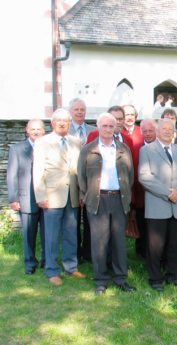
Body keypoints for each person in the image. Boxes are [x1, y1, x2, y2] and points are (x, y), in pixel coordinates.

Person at [77, 112, 136, 295]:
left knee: (119, 241)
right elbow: (81, 176)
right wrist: (88, 195)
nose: (108, 129)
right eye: (105, 126)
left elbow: (130, 175)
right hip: (98, 200)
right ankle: (101, 280)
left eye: (111, 126)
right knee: (99, 241)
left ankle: (120, 278)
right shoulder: (89, 149)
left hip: (119, 199)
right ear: (98, 127)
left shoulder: (123, 149)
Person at [139, 119, 177, 291]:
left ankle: (174, 276)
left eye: (170, 129)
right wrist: (168, 193)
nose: (167, 131)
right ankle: (156, 278)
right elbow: (144, 177)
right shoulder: (146, 150)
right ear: (157, 131)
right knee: (156, 245)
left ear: (174, 132)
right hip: (158, 205)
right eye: (163, 128)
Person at [33, 109, 85, 286]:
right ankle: (52, 270)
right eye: (59, 120)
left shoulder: (76, 142)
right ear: (52, 122)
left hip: (72, 195)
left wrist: (81, 193)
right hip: (52, 196)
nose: (63, 123)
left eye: (66, 121)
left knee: (71, 233)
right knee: (52, 235)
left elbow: (79, 171)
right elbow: (38, 170)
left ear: (70, 123)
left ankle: (71, 267)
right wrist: (40, 195)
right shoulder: (43, 142)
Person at [7, 119, 46, 275]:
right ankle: (30, 262)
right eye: (33, 129)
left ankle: (46, 260)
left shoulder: (49, 147)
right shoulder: (17, 149)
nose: (36, 132)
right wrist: (13, 198)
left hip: (47, 198)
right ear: (27, 130)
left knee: (47, 233)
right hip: (26, 198)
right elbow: (11, 176)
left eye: (39, 129)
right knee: (29, 233)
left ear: (44, 131)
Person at [68, 98, 96, 263]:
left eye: (82, 109)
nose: (79, 112)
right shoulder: (65, 129)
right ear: (71, 111)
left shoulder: (93, 130)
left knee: (90, 219)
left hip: (90, 180)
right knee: (73, 220)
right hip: (72, 180)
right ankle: (75, 253)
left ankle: (88, 253)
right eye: (76, 109)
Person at [133, 118, 158, 258]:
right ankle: (142, 253)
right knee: (142, 225)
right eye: (144, 131)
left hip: (159, 197)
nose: (147, 133)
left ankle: (156, 253)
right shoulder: (137, 148)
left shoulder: (162, 148)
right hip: (141, 196)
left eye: (151, 130)